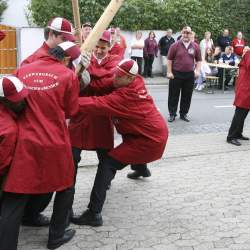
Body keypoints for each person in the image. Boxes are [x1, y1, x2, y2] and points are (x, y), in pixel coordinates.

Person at [0, 41, 81, 250]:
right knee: (65, 186)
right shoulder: (68, 75)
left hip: (24, 139)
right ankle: (56, 236)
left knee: (16, 193)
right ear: (65, 59)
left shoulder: (23, 69)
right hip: (54, 140)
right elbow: (72, 111)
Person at [71, 59, 168, 226]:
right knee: (127, 145)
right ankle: (141, 168)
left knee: (107, 164)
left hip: (148, 141)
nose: (114, 78)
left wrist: (63, 101)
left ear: (130, 79)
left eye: (119, 76)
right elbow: (104, 84)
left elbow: (95, 104)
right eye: (115, 73)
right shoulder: (133, 80)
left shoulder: (126, 97)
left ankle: (93, 213)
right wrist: (81, 82)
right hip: (144, 132)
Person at [68, 31, 120, 217]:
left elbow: (108, 81)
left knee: (106, 160)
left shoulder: (114, 62)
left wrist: (86, 69)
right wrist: (77, 65)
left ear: (109, 48)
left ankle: (96, 206)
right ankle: (66, 207)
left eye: (103, 47)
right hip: (80, 117)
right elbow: (71, 80)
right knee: (70, 160)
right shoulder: (82, 59)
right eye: (96, 47)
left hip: (101, 119)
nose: (99, 50)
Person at [0, 76, 28, 200]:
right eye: (17, 99)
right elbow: (3, 163)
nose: (23, 101)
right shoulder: (9, 129)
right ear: (4, 101)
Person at [167, 26, 201, 122]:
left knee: (187, 95)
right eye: (184, 33)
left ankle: (183, 114)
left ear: (191, 34)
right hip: (176, 74)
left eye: (188, 33)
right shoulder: (175, 45)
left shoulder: (195, 46)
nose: (186, 35)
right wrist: (169, 72)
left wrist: (197, 71)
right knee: (173, 95)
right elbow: (169, 59)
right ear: (181, 34)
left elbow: (199, 60)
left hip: (190, 75)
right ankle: (172, 114)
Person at [227, 50, 250, 146]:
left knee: (244, 113)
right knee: (240, 113)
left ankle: (238, 133)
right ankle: (231, 136)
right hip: (245, 87)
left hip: (247, 87)